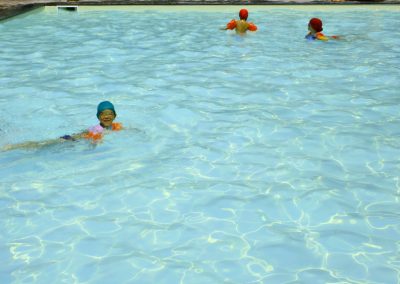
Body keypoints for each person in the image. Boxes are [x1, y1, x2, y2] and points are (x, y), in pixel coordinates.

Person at [2, 101, 122, 151]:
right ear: (98, 117)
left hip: (75, 139)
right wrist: (96, 145)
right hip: (71, 139)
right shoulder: (97, 130)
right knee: (43, 145)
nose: (107, 116)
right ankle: (12, 147)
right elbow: (93, 144)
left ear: (115, 115)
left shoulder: (116, 126)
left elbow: (122, 129)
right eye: (103, 114)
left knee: (43, 146)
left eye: (110, 114)